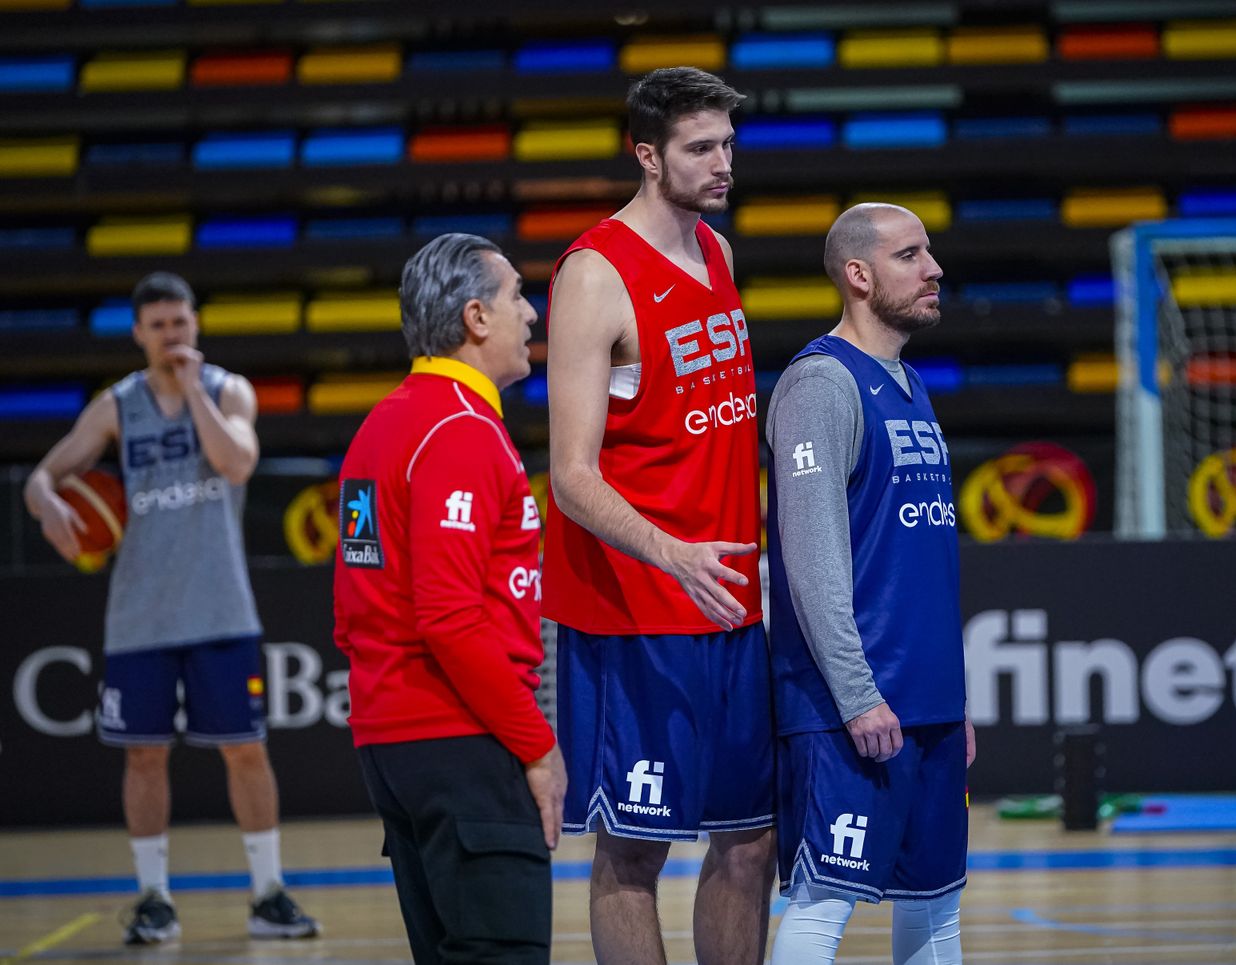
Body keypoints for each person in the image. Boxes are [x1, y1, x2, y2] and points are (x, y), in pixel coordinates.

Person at [543, 66, 773, 965]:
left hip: (729, 599)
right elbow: (569, 475)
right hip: (637, 609)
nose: (722, 164)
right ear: (647, 155)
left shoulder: (715, 250)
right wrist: (670, 552)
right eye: (699, 148)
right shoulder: (595, 274)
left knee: (749, 841)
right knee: (634, 852)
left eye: (726, 145)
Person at [23, 272, 319, 945]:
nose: (171, 336)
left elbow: (237, 464)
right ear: (138, 334)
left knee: (246, 750)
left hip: (221, 607)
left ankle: (268, 892)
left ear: (196, 325)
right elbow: (43, 474)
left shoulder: (226, 390)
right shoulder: (115, 406)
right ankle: (154, 897)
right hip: (140, 616)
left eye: (180, 324)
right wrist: (49, 506)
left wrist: (191, 394)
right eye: (157, 326)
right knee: (144, 757)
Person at [333, 233, 564, 964]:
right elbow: (449, 617)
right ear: (476, 318)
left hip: (391, 744)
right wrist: (536, 743)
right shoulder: (459, 430)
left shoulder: (380, 426)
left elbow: (353, 605)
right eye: (517, 296)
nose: (532, 314)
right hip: (461, 740)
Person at [765, 202, 975, 964]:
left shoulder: (912, 383)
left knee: (935, 907)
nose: (934, 269)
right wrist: (858, 695)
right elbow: (812, 559)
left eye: (930, 253)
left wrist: (952, 701)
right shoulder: (819, 384)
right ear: (858, 275)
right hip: (848, 706)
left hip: (926, 702)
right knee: (824, 905)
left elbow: (920, 559)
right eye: (911, 255)